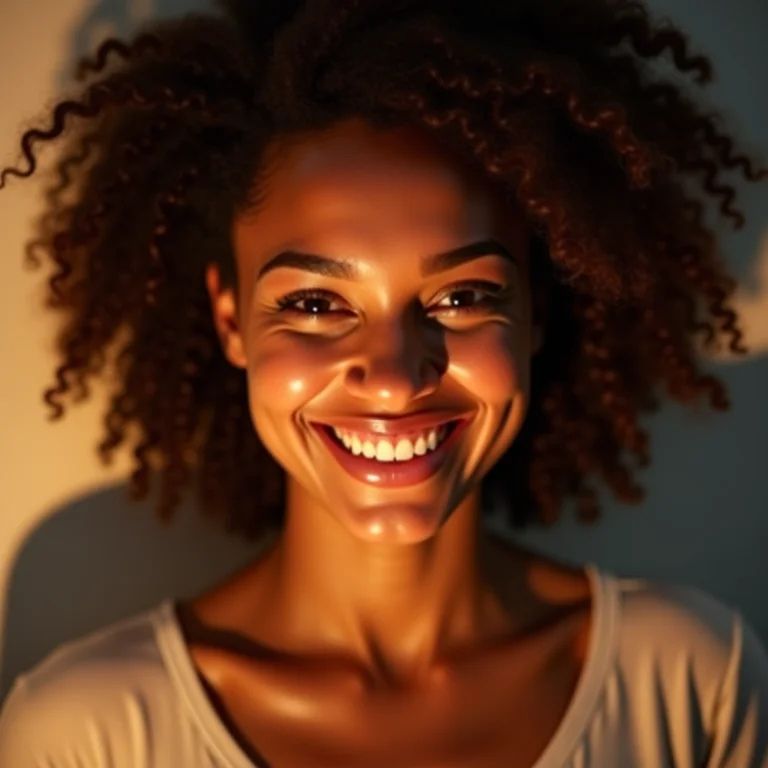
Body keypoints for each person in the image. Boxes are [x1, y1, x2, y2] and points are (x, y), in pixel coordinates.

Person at [1, 0, 767, 765]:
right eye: (314, 304)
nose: (398, 381)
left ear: (535, 312)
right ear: (231, 320)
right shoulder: (84, 735)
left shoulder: (695, 679)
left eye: (464, 297)